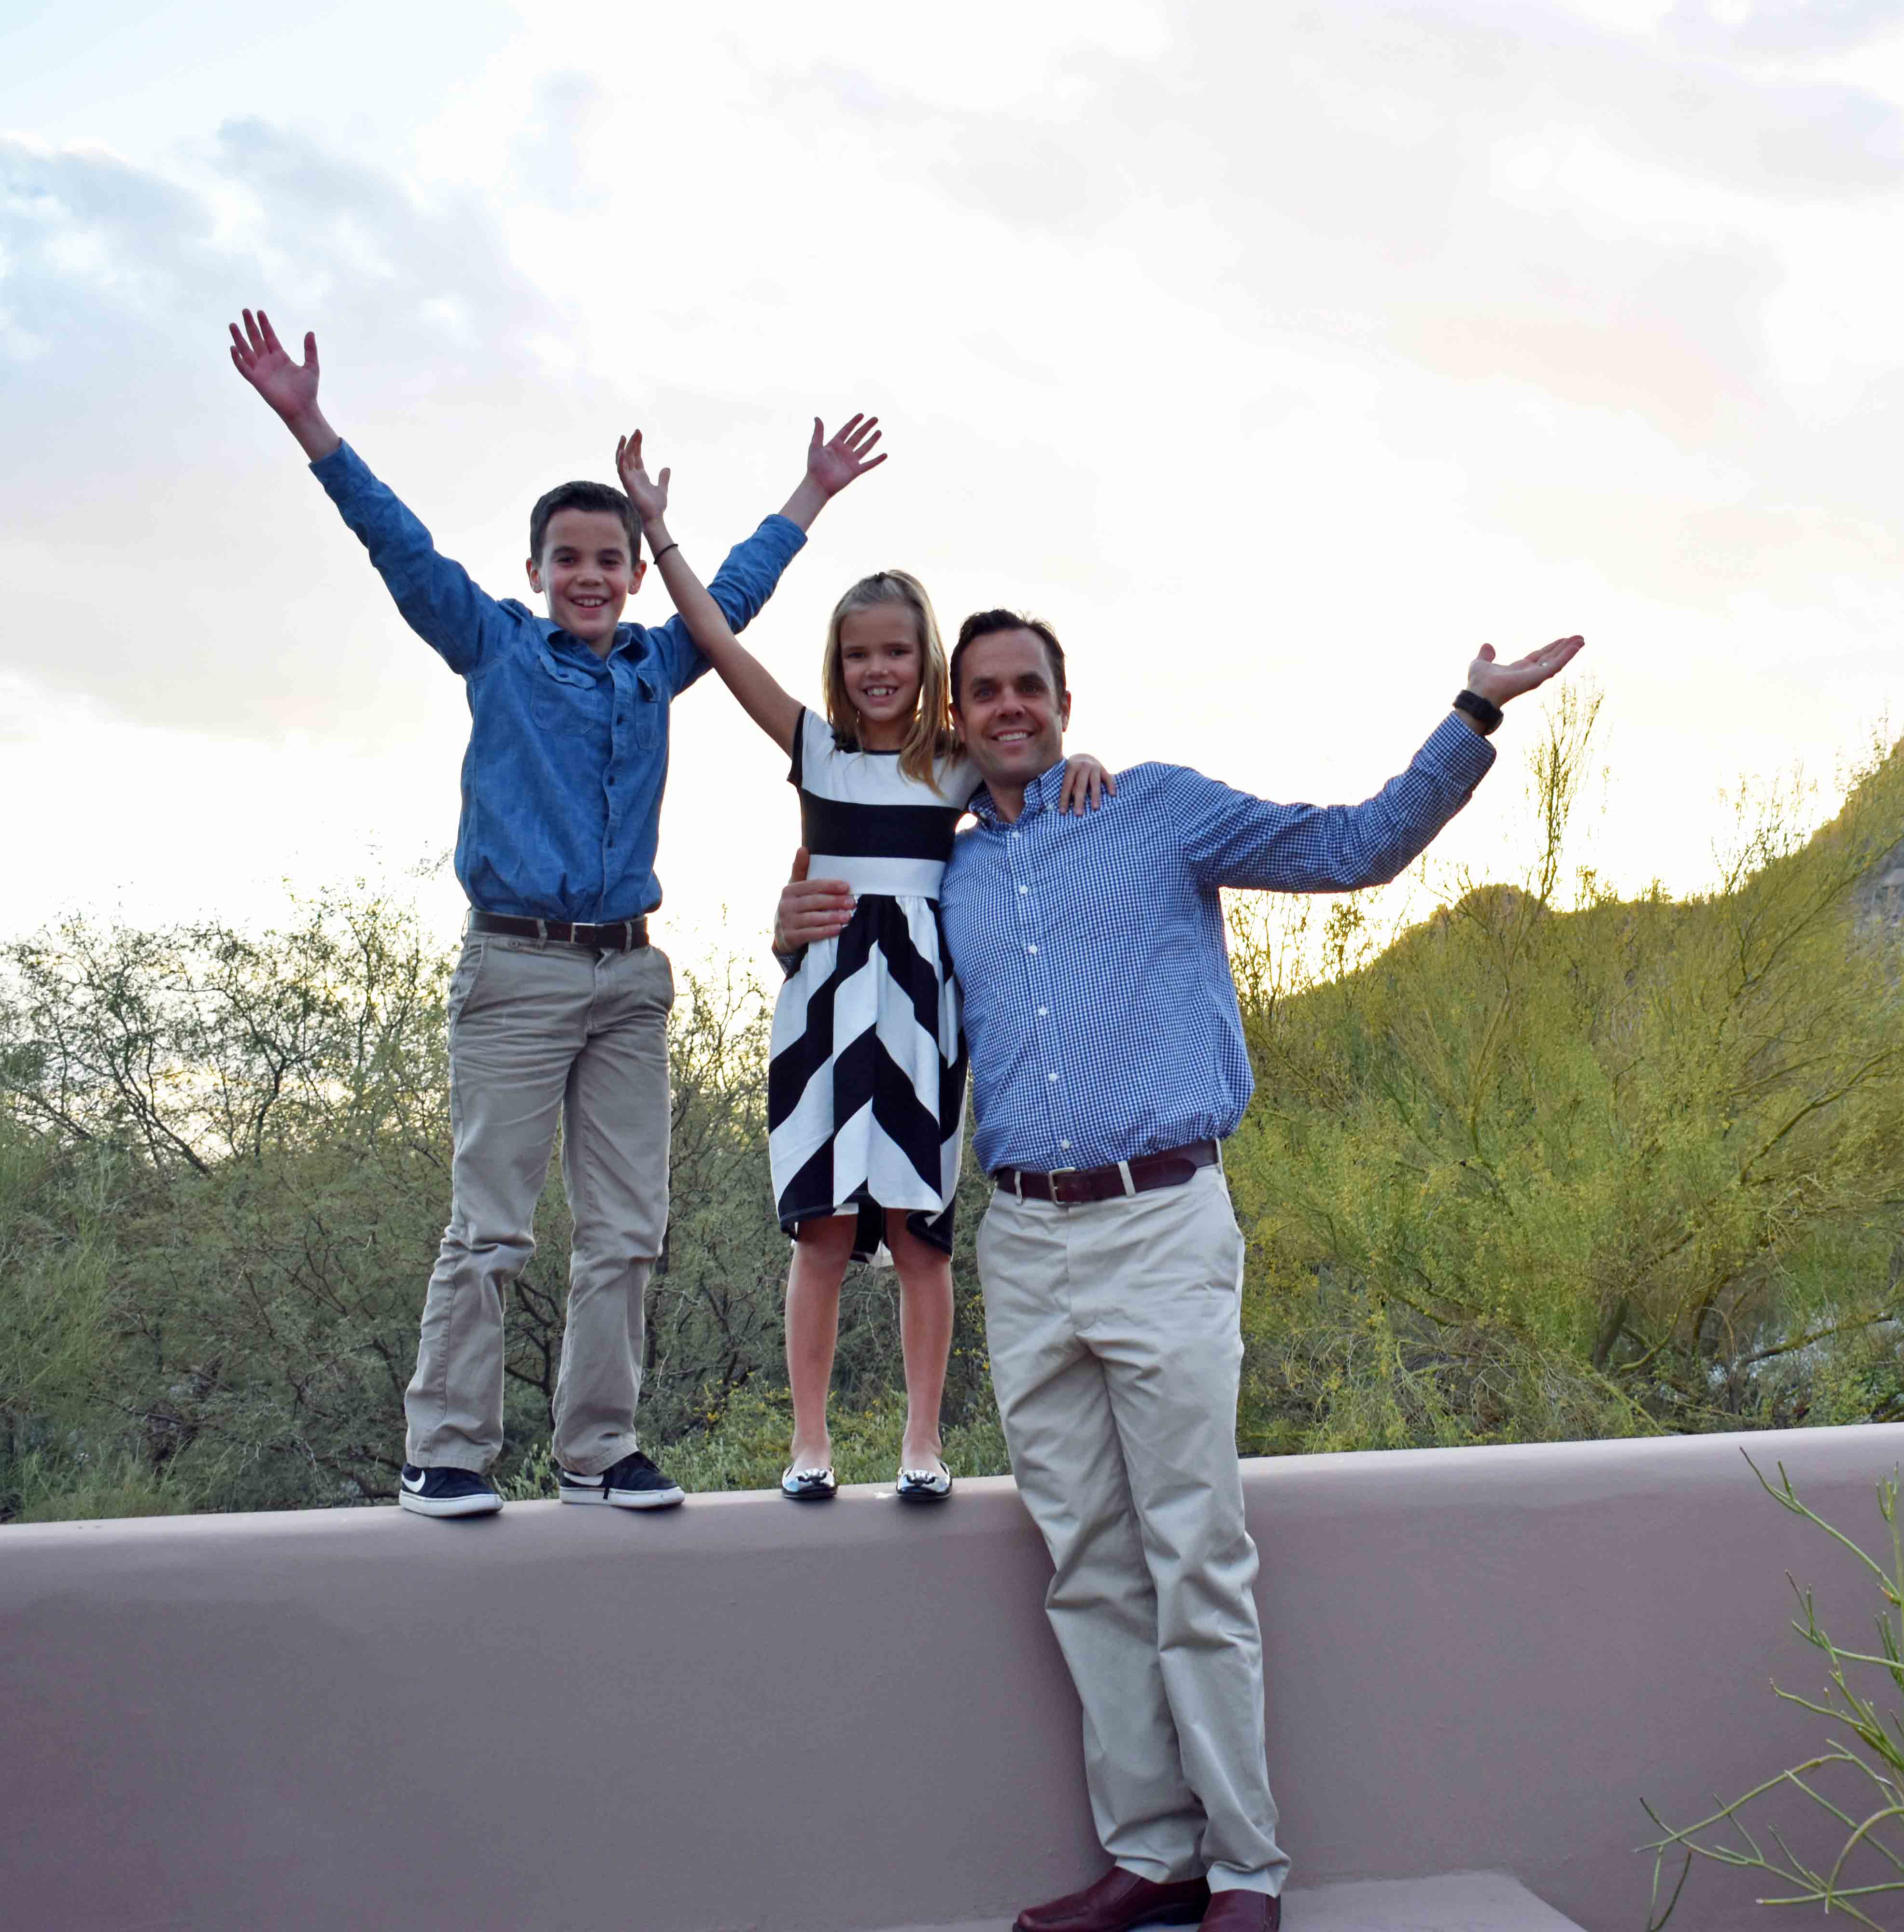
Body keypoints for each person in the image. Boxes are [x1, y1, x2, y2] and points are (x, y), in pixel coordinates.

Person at [775, 611, 1583, 1931]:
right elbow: (872, 999)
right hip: (1026, 1244)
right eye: (981, 695)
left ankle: (1247, 1871)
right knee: (1087, 1563)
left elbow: (1355, 848)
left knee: (1195, 1553)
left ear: (1065, 697)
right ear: (958, 720)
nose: (1008, 708)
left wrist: (1475, 711)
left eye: (1027, 687)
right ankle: (1152, 1854)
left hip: (1164, 1223)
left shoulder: (1159, 811)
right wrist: (787, 928)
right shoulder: (951, 876)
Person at [225, 309, 881, 1520]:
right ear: (535, 571)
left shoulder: (656, 663)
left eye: (609, 560)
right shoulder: (494, 646)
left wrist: (810, 492)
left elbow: (731, 590)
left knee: (629, 1229)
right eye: (567, 558)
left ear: (635, 576)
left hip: (628, 977)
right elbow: (399, 545)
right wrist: (310, 423)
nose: (588, 576)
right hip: (518, 970)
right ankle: (447, 1451)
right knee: (493, 1228)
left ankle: (597, 1448)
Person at [610, 432, 1110, 1505]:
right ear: (837, 665)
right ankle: (810, 1445)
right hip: (824, 1009)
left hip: (926, 1014)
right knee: (825, 1232)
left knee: (923, 1239)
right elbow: (709, 632)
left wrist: (1092, 763)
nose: (876, 669)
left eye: (895, 651)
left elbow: (1037, 760)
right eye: (856, 654)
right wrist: (662, 528)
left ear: (924, 660)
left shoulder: (956, 764)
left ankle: (923, 1445)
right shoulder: (814, 749)